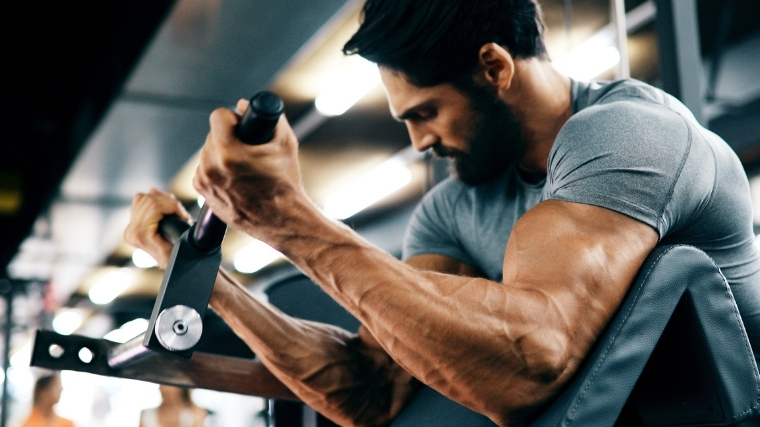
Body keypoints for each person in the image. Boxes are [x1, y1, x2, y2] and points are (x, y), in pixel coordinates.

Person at [124, 0, 760, 425]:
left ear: (493, 67)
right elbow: (368, 388)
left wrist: (291, 220)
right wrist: (201, 271)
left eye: (424, 112)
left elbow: (528, 364)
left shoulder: (627, 135)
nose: (419, 143)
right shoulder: (452, 208)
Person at [139, 385, 207, 427]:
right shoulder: (147, 414)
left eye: (166, 384)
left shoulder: (196, 413)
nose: (162, 388)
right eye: (161, 384)